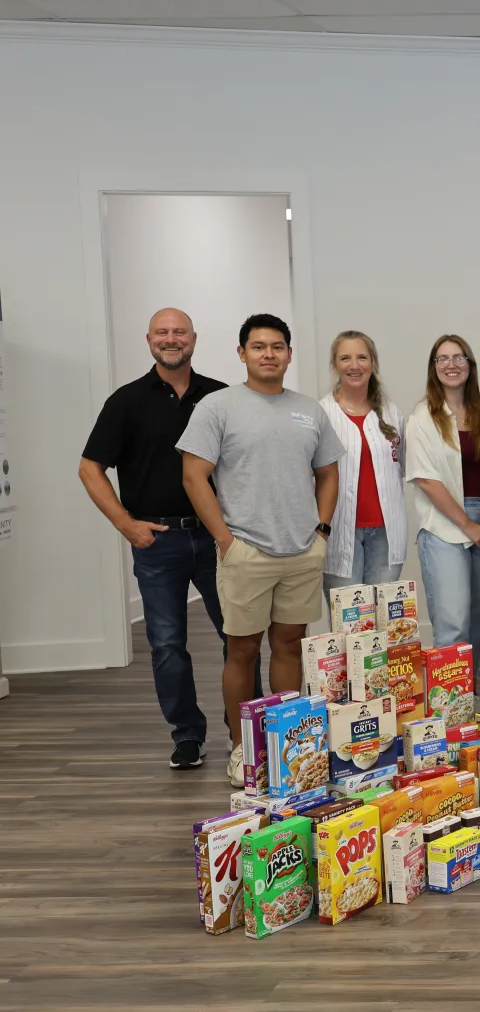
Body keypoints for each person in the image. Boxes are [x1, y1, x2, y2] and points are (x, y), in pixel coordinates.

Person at [79, 307, 258, 771]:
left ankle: (246, 735)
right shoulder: (127, 401)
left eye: (179, 332)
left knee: (239, 637)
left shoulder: (222, 397)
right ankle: (187, 734)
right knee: (167, 644)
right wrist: (125, 523)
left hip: (220, 539)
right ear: (149, 340)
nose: (171, 339)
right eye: (163, 332)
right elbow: (89, 468)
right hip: (158, 542)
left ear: (194, 339)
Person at [177, 313, 341, 787]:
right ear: (242, 353)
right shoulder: (217, 406)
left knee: (288, 644)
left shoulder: (309, 409)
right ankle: (242, 750)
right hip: (246, 550)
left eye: (277, 346)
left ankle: (289, 747)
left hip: (300, 551)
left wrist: (321, 532)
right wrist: (226, 541)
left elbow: (328, 472)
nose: (268, 353)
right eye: (258, 346)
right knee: (242, 650)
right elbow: (194, 475)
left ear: (289, 353)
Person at [406, 334, 480, 669]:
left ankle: (466, 693)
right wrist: (468, 525)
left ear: (470, 365)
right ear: (433, 368)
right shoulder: (422, 418)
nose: (451, 365)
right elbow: (426, 479)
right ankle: (449, 712)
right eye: (443, 358)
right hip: (445, 524)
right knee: (453, 623)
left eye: (459, 357)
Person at [319, 331, 406, 593]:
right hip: (339, 533)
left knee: (384, 622)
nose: (354, 365)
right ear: (334, 365)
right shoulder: (321, 413)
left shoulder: (391, 412)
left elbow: (400, 466)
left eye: (362, 357)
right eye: (345, 358)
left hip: (386, 534)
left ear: (373, 362)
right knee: (349, 625)